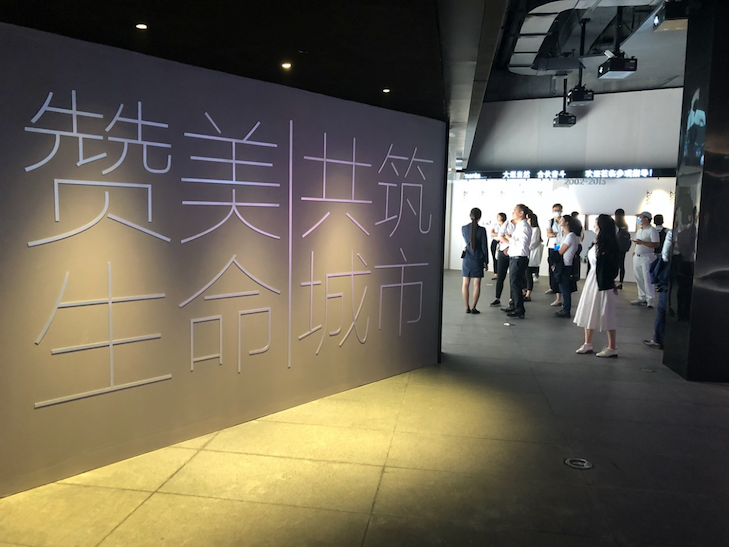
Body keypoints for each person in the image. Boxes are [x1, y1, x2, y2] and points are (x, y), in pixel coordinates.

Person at [574, 214, 621, 358]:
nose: (594, 225)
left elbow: (612, 266)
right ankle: (587, 343)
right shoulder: (597, 242)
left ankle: (612, 347)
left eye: (596, 223)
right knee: (589, 308)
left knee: (606, 312)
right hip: (593, 279)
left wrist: (609, 281)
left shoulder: (610, 244)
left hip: (603, 281)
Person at [501, 204, 531, 319]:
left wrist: (510, 238)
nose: (512, 213)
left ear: (521, 213)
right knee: (513, 283)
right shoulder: (519, 226)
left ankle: (519, 309)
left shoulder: (524, 227)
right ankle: (513, 305)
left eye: (515, 211)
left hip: (519, 258)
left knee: (516, 283)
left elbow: (522, 244)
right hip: (515, 257)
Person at [644, 229, 673, 349]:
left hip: (672, 273)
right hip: (689, 273)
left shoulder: (673, 233)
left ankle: (659, 339)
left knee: (662, 308)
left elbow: (665, 255)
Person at [461, 208, 489, 314]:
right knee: (476, 284)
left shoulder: (464, 228)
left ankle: (466, 307)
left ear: (470, 215)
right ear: (479, 217)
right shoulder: (482, 230)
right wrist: (486, 262)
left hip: (467, 258)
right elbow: (484, 247)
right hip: (478, 259)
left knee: (465, 284)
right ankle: (473, 308)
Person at [551, 214, 580, 318]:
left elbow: (561, 250)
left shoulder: (570, 236)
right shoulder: (567, 235)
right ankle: (565, 309)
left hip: (565, 265)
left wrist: (557, 251)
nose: (560, 221)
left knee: (565, 289)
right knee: (564, 288)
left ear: (567, 222)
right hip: (564, 264)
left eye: (562, 220)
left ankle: (566, 310)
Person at [631, 211, 660, 307]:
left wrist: (642, 243)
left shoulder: (652, 230)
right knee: (639, 277)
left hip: (647, 257)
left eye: (640, 218)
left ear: (646, 219)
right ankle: (642, 297)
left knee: (647, 279)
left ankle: (650, 300)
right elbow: (637, 242)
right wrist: (635, 251)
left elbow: (656, 244)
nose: (639, 219)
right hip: (637, 256)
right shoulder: (639, 230)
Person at [490, 212, 513, 307]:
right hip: (501, 251)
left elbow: (514, 239)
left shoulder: (512, 226)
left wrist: (508, 243)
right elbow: (499, 236)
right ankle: (497, 298)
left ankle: (512, 299)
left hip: (511, 253)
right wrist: (505, 237)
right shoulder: (501, 225)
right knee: (500, 277)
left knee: (512, 278)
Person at [524, 211, 543, 302]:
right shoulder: (529, 229)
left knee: (528, 274)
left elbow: (533, 244)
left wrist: (525, 247)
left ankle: (528, 294)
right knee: (525, 274)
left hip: (531, 255)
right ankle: (525, 292)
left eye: (528, 218)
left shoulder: (536, 229)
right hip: (528, 254)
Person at [545, 203, 563, 296]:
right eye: (555, 210)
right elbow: (549, 234)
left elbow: (565, 233)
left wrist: (555, 234)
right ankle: (553, 287)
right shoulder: (550, 221)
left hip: (561, 245)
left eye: (558, 210)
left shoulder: (564, 221)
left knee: (559, 266)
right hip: (552, 246)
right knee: (552, 265)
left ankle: (559, 288)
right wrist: (557, 234)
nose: (557, 212)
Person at [614, 209, 631, 289]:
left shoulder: (615, 224)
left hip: (615, 247)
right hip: (623, 248)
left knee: (614, 264)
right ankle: (621, 283)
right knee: (622, 265)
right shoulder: (625, 225)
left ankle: (612, 281)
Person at [489, 213, 507, 281]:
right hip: (495, 242)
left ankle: (501, 273)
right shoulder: (495, 225)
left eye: (498, 216)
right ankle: (495, 273)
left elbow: (506, 235)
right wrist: (500, 234)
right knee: (494, 258)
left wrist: (497, 234)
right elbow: (491, 233)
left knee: (501, 259)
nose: (497, 218)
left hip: (503, 242)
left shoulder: (506, 225)